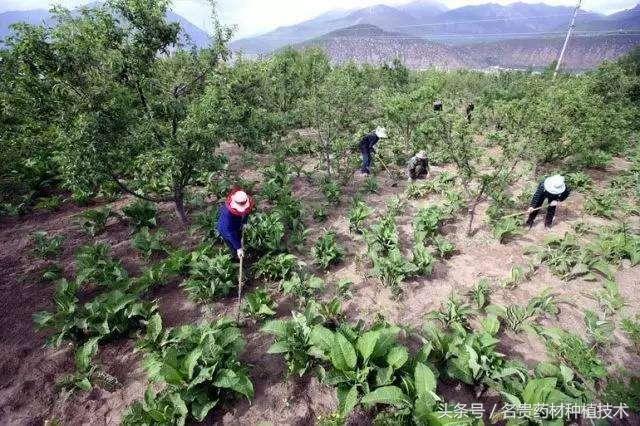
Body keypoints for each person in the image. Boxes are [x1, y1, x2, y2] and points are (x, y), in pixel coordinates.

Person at [217, 189, 254, 259]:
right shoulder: (227, 217)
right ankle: (236, 256)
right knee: (232, 244)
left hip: (237, 223)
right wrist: (238, 248)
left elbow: (246, 212)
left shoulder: (243, 202)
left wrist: (244, 222)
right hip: (225, 230)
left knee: (239, 236)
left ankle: (240, 245)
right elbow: (231, 234)